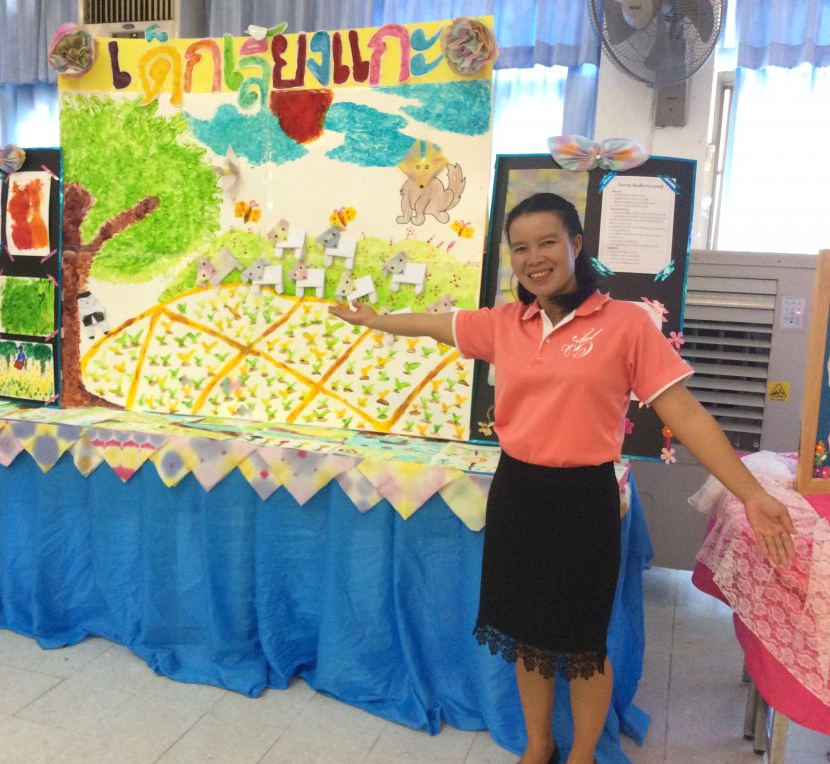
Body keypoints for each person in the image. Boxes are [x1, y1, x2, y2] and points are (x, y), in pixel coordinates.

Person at [328, 192, 797, 764]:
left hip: (583, 499)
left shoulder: (625, 323)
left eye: (548, 242)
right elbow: (436, 325)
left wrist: (751, 494)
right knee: (525, 636)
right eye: (520, 248)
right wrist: (374, 320)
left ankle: (581, 756)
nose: (534, 258)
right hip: (517, 494)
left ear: (576, 244)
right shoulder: (506, 323)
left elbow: (686, 413)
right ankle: (539, 744)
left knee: (582, 645)